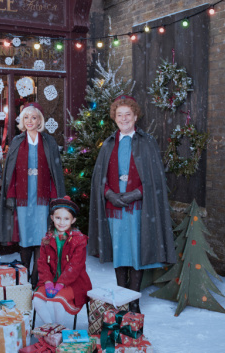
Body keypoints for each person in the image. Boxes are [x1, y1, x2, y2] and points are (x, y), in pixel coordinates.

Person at [88, 95, 176, 313]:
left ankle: (134, 300)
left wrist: (135, 194)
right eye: (120, 115)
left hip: (138, 208)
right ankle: (121, 297)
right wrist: (109, 194)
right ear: (114, 118)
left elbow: (155, 179)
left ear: (135, 116)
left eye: (128, 114)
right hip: (114, 209)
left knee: (136, 253)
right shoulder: (108, 144)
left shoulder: (147, 143)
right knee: (120, 254)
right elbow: (99, 178)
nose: (124, 118)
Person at [0, 102, 65, 288]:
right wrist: (10, 195)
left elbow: (54, 174)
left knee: (41, 238)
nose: (30, 121)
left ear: (40, 120)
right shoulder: (17, 142)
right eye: (26, 117)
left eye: (34, 118)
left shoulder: (49, 143)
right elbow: (10, 173)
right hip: (23, 197)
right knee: (25, 238)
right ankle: (25, 271)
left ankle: (37, 275)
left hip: (43, 199)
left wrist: (54, 199)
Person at [33, 196, 92, 325]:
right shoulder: (47, 239)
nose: (61, 222)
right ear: (52, 217)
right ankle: (51, 328)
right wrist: (48, 282)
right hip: (51, 280)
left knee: (57, 302)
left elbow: (75, 266)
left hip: (74, 283)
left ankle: (58, 328)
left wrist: (60, 283)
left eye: (66, 219)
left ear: (73, 220)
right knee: (37, 300)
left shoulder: (79, 240)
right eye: (58, 218)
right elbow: (42, 264)